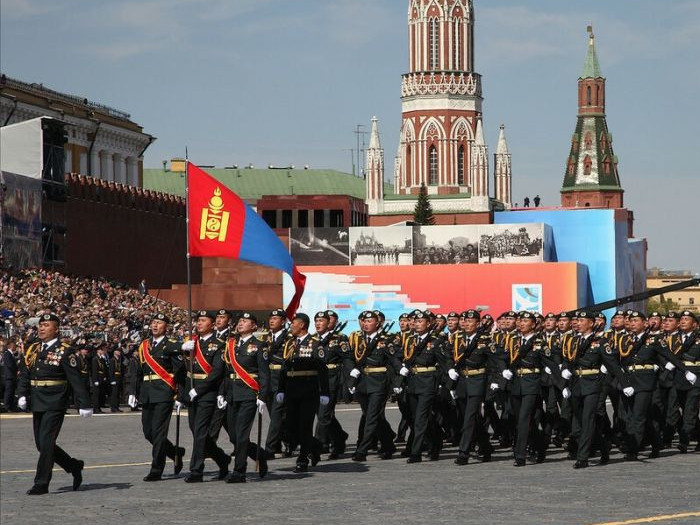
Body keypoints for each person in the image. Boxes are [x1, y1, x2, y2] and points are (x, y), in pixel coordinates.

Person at [17, 313, 93, 495]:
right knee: (41, 444)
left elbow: (76, 379)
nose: (41, 328)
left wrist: (84, 403)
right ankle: (74, 466)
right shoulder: (33, 349)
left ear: (56, 329)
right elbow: (25, 372)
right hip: (37, 399)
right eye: (40, 325)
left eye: (46, 325)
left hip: (55, 401)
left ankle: (41, 483)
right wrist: (22, 394)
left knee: (46, 441)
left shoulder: (65, 350)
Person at [618, 311, 696, 461]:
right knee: (632, 416)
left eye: (636, 320)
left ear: (645, 323)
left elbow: (670, 356)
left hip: (646, 382)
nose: (633, 323)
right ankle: (655, 442)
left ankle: (633, 449)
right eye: (631, 321)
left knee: (638, 415)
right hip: (628, 380)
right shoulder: (625, 339)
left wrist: (685, 371)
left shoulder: (654, 340)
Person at [204, 312, 270, 482]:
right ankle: (259, 454)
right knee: (234, 436)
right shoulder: (231, 345)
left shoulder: (259, 345)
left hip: (249, 394)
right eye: (240, 321)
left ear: (254, 326)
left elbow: (264, 373)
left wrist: (262, 395)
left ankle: (239, 471)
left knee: (241, 435)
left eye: (245, 321)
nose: (241, 323)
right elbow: (226, 373)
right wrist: (221, 393)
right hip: (232, 393)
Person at [560, 311, 625, 468]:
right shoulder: (573, 341)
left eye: (582, 320)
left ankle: (583, 457)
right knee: (579, 425)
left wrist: (626, 383)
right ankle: (603, 447)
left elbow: (613, 364)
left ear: (591, 323)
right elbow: (568, 360)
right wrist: (565, 378)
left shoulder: (600, 342)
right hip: (576, 384)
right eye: (577, 320)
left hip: (593, 384)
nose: (578, 323)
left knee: (588, 419)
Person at [127, 313, 186, 481]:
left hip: (164, 392)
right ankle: (174, 452)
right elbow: (137, 372)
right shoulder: (144, 345)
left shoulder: (172, 345)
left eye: (159, 323)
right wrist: (133, 391)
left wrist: (180, 396)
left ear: (165, 327)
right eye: (153, 322)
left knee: (159, 433)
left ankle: (156, 468)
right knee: (148, 432)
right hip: (147, 392)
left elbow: (180, 373)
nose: (155, 325)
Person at [181, 310, 231, 482]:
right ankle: (222, 459)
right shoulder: (192, 342)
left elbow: (217, 371)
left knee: (201, 431)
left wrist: (200, 389)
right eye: (198, 320)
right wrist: (183, 352)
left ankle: (196, 470)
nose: (199, 323)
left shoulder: (218, 344)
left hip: (207, 393)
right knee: (196, 431)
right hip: (191, 391)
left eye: (203, 320)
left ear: (211, 324)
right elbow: (186, 370)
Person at [277, 313, 329, 473]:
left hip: (308, 390)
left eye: (294, 323)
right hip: (292, 390)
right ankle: (315, 446)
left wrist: (324, 392)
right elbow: (284, 368)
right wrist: (281, 389)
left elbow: (322, 369)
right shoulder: (289, 343)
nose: (291, 326)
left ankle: (302, 459)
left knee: (305, 426)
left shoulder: (314, 344)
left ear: (302, 325)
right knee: (288, 427)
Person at [346, 311, 398, 462]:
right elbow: (349, 356)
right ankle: (388, 443)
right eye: (364, 321)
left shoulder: (386, 340)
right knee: (373, 415)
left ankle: (362, 451)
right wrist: (352, 369)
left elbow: (393, 360)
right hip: (362, 381)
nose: (365, 324)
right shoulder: (357, 338)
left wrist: (398, 379)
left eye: (369, 321)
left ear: (377, 323)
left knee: (371, 416)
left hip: (379, 382)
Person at [449, 310, 499, 465]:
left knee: (470, 417)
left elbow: (495, 362)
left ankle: (463, 452)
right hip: (462, 381)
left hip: (478, 380)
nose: (467, 324)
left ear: (478, 324)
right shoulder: (457, 338)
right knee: (471, 418)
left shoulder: (485, 339)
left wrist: (495, 381)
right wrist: (450, 368)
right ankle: (485, 446)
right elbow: (447, 356)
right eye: (464, 321)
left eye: (471, 321)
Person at [312, 311, 350, 459]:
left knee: (323, 414)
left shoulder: (339, 339)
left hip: (331, 380)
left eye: (321, 321)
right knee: (324, 415)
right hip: (314, 381)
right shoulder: (311, 340)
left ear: (329, 323)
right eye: (316, 321)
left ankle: (317, 446)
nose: (318, 323)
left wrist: (350, 380)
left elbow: (347, 359)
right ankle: (340, 438)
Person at [264, 309, 291, 457]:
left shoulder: (289, 338)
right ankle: (286, 441)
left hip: (281, 378)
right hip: (268, 379)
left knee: (277, 414)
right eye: (271, 318)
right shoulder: (264, 338)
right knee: (277, 415)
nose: (272, 321)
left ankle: (270, 448)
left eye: (276, 318)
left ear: (283, 321)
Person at [2, 338, 18, 411]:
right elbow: (10, 365)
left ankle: (11, 406)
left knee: (11, 392)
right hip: (9, 376)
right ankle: (7, 406)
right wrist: (16, 369)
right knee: (8, 392)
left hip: (12, 376)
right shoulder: (7, 353)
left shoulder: (11, 354)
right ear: (11, 345)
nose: (16, 347)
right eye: (15, 345)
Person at [109, 348, 124, 412]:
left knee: (117, 394)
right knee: (114, 394)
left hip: (119, 377)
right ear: (115, 352)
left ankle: (117, 406)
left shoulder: (119, 360)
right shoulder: (112, 360)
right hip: (114, 377)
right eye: (118, 351)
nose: (119, 352)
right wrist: (112, 380)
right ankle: (113, 407)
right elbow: (111, 370)